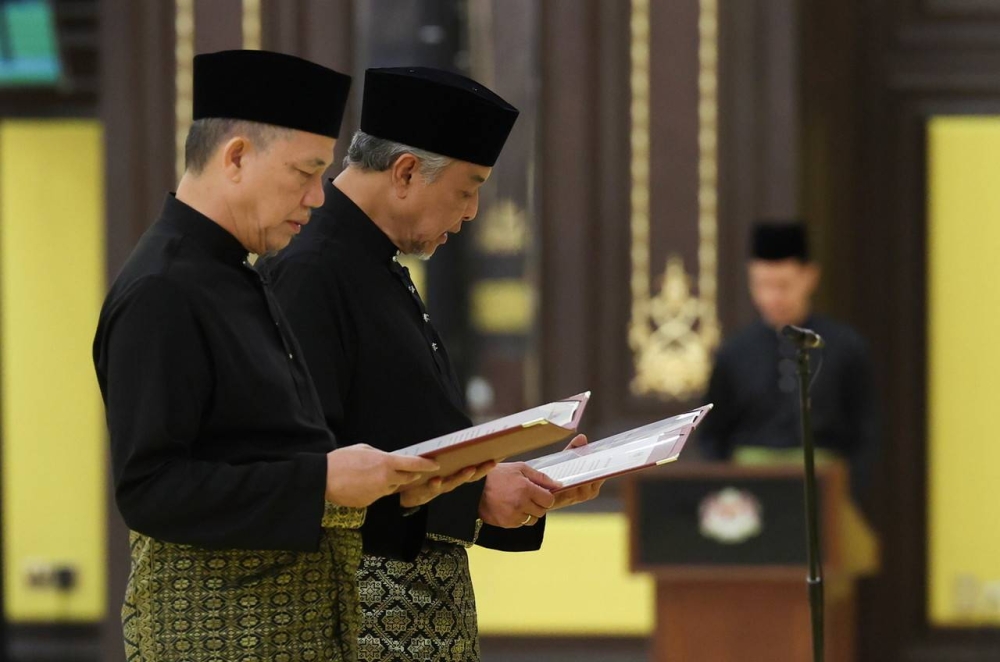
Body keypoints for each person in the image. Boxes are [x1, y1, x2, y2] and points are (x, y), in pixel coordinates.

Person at [93, 51, 477, 661]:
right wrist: (323, 479)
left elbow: (264, 451)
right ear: (237, 157)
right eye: (305, 173)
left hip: (299, 627)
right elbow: (150, 488)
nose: (318, 198)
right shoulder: (163, 289)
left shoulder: (235, 275)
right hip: (216, 636)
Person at [261, 67, 602, 662]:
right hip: (357, 617)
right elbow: (309, 468)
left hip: (417, 611)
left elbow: (403, 438)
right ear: (406, 171)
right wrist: (472, 498)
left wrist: (515, 490)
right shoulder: (310, 270)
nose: (471, 212)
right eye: (468, 189)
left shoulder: (377, 267)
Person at [698, 221, 879, 501]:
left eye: (783, 285)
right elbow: (711, 435)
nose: (772, 297)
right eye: (762, 285)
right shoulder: (733, 353)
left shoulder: (845, 346)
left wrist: (850, 491)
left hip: (825, 490)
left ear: (810, 277)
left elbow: (866, 431)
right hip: (749, 493)